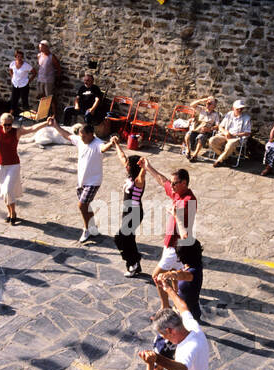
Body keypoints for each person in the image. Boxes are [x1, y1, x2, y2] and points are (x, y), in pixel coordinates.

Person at [0, 107, 51, 224]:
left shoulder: (17, 132)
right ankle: (10, 212)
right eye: (5, 125)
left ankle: (13, 212)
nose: (7, 127)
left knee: (7, 190)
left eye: (9, 125)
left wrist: (46, 123)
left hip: (13, 165)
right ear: (1, 124)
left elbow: (32, 128)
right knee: (4, 192)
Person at [140, 282, 209, 370]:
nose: (163, 338)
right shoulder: (191, 326)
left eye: (163, 335)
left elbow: (182, 369)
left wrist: (156, 358)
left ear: (170, 330)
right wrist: (168, 289)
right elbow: (183, 307)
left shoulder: (189, 347)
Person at [46, 117, 105, 242]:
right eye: (80, 136)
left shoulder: (98, 143)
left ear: (91, 134)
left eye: (83, 136)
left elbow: (104, 148)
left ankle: (86, 229)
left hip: (93, 181)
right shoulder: (80, 140)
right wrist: (55, 125)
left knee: (82, 205)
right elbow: (67, 135)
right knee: (86, 206)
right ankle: (93, 228)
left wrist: (113, 143)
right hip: (81, 180)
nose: (81, 138)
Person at [144, 161, 196, 291]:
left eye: (174, 183)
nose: (171, 185)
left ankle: (165, 305)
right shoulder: (177, 192)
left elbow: (180, 211)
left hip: (175, 246)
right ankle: (178, 299)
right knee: (175, 276)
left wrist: (174, 212)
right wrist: (148, 166)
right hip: (175, 245)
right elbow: (163, 181)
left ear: (184, 183)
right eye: (172, 183)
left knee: (157, 277)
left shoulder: (189, 199)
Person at [108, 136, 146, 275]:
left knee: (120, 238)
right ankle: (135, 264)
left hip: (134, 213)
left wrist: (145, 165)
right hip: (127, 211)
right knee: (129, 238)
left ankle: (133, 260)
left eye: (129, 164)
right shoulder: (130, 175)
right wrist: (116, 144)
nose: (127, 165)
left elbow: (143, 173)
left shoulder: (138, 180)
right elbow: (122, 157)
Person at [208, 100, 252, 167]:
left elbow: (248, 133)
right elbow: (220, 126)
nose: (240, 110)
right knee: (212, 141)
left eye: (241, 108)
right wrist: (226, 132)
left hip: (237, 137)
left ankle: (219, 160)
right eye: (238, 109)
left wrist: (235, 135)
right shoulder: (229, 114)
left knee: (230, 144)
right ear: (233, 108)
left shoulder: (246, 118)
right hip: (225, 135)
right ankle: (226, 157)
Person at [8, 49, 33, 115]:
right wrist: (12, 76)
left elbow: (34, 72)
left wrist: (29, 81)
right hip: (15, 84)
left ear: (22, 57)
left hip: (24, 85)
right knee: (13, 99)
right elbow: (10, 70)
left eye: (20, 56)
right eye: (17, 56)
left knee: (24, 100)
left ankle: (26, 115)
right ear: (15, 57)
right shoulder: (12, 63)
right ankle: (12, 114)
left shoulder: (26, 65)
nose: (19, 58)